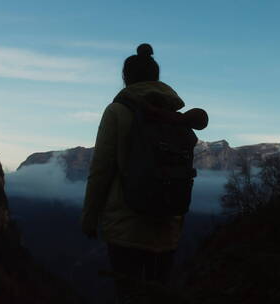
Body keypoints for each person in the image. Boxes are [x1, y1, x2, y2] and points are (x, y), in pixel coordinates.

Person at [81, 43, 208, 303]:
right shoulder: (174, 116)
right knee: (157, 295)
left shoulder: (118, 110)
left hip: (126, 226)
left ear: (126, 78)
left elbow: (102, 169)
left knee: (129, 294)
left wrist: (90, 217)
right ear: (156, 78)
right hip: (167, 226)